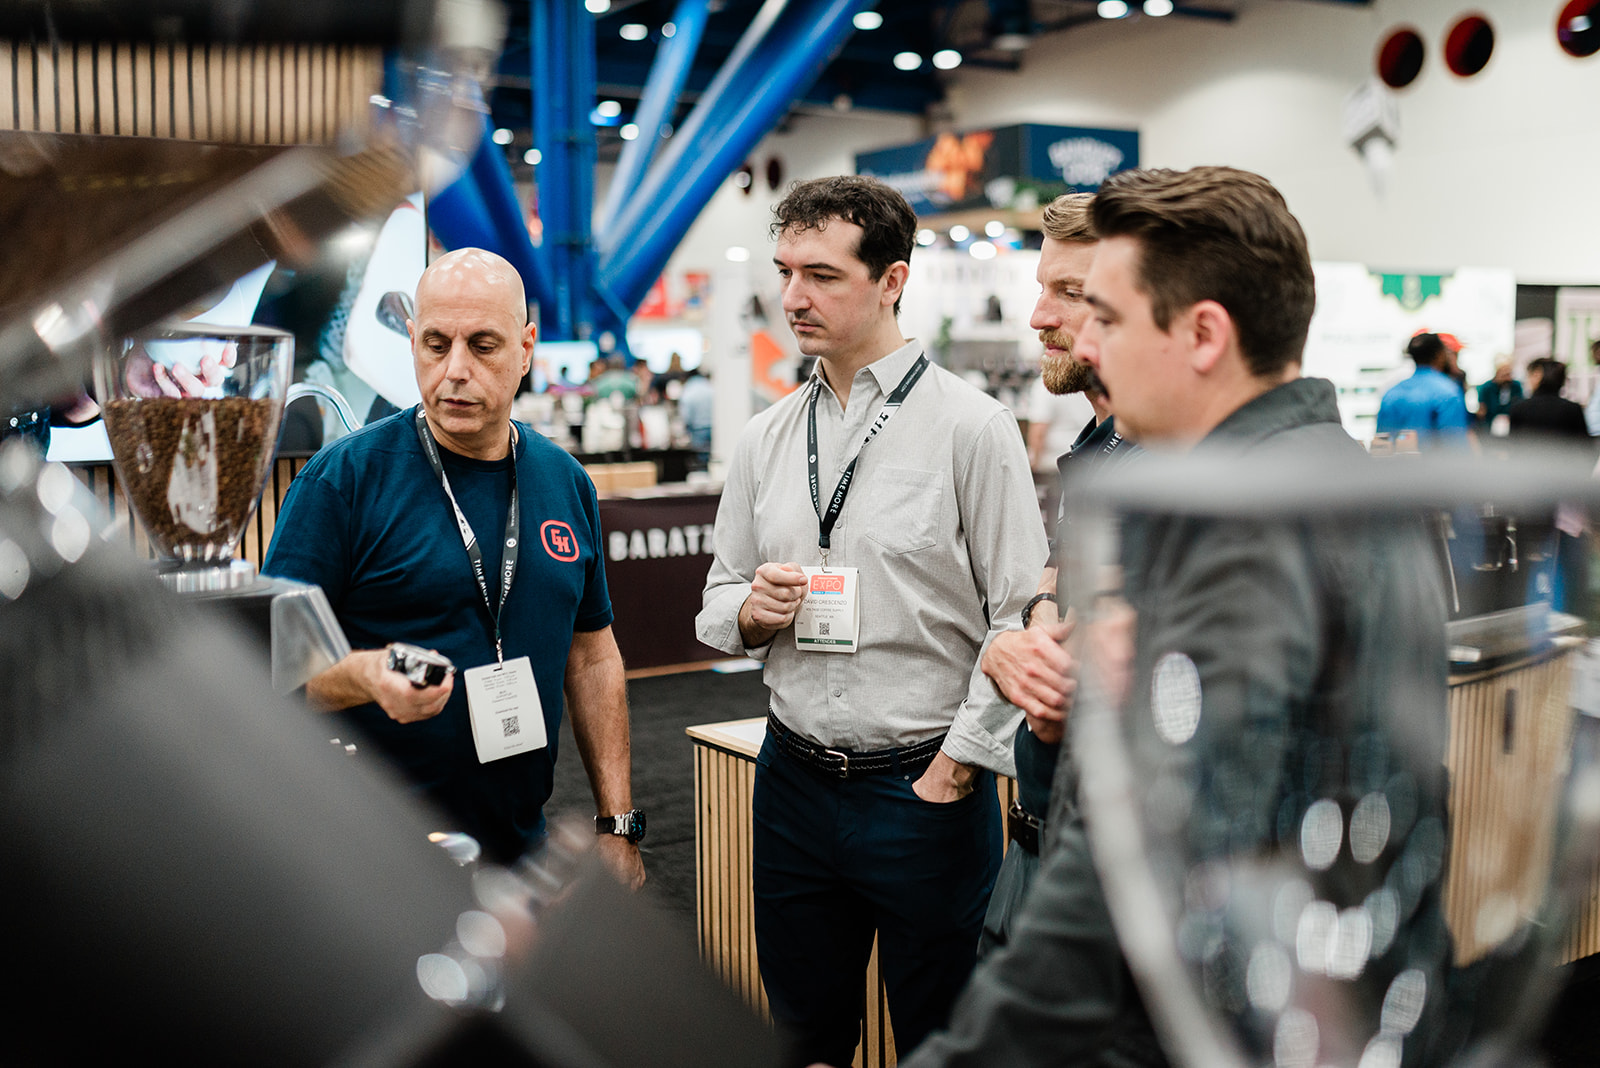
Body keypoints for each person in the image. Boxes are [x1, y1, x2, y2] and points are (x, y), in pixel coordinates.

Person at [902, 166, 1451, 1068]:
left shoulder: (1249, 521)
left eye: (1108, 318)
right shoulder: (1323, 473)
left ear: (1203, 334)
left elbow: (1148, 866)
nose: (1086, 344)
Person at [696, 175, 1045, 1068]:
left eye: (821, 275)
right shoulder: (766, 437)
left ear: (892, 281)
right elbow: (718, 598)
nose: (793, 297)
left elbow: (1018, 615)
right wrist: (752, 613)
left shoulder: (974, 429)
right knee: (802, 1035)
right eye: (785, 271)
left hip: (924, 789)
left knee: (943, 1039)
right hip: (792, 785)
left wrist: (956, 768)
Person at [263, 248, 645, 885]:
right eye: (436, 345)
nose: (455, 371)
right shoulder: (342, 482)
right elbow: (268, 665)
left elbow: (592, 657)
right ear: (412, 340)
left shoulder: (565, 481)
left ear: (526, 349)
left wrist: (618, 822)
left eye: (483, 346)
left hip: (521, 848)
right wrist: (366, 675)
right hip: (369, 857)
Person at [974, 192, 1135, 959]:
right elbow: (1060, 570)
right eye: (1043, 288)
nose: (1039, 316)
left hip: (1110, 870)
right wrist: (1035, 613)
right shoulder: (1103, 441)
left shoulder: (1192, 469)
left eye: (1070, 292)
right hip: (1040, 835)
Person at [1375, 332, 1470, 448]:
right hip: (1434, 459)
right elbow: (1455, 445)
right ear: (1440, 355)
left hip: (1399, 459)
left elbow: (1382, 444)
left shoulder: (1391, 393)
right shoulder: (1448, 392)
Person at [1509, 358, 1591, 446]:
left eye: (1529, 376)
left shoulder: (1519, 409)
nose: (1527, 381)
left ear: (1537, 375)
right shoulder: (1573, 409)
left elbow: (1513, 446)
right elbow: (1584, 446)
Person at [1476, 359, 1524, 435]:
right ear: (1497, 373)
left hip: (1512, 428)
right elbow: (1482, 411)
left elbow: (1520, 405)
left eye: (1509, 374)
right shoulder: (1486, 388)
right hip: (1490, 427)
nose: (1507, 378)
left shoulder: (1516, 386)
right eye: (1504, 375)